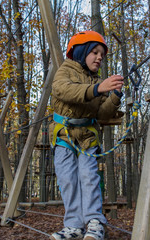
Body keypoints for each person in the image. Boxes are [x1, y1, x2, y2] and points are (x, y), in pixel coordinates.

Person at [49, 30, 124, 240]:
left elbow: (101, 113)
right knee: (67, 180)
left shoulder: (97, 81)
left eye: (102, 54)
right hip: (63, 135)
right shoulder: (66, 70)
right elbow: (62, 90)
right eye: (95, 52)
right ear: (81, 52)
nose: (100, 57)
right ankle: (73, 225)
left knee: (88, 176)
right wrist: (98, 88)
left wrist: (115, 96)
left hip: (88, 137)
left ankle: (94, 222)